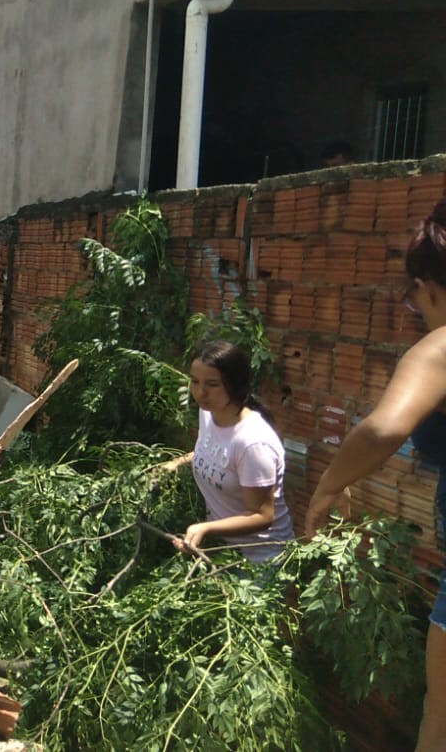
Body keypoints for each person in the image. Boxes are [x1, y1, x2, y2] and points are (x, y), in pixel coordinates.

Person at [305, 200, 446, 751]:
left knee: (441, 714)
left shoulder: (438, 348)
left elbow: (383, 429)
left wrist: (328, 485)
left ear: (428, 284)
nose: (415, 309)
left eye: (412, 297)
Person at [164, 340, 294, 562]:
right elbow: (215, 454)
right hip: (224, 552)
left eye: (212, 384)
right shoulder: (209, 413)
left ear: (234, 384)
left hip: (262, 560)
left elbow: (262, 516)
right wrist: (176, 463)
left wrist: (205, 529)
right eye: (195, 382)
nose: (200, 392)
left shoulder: (253, 443)